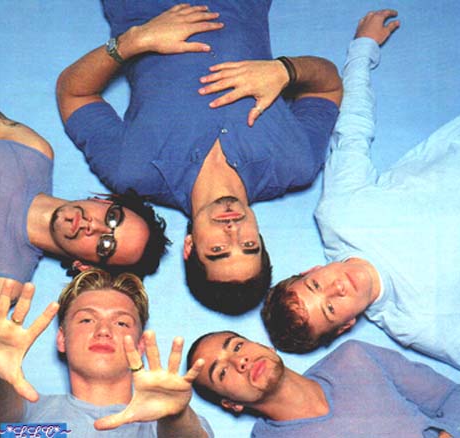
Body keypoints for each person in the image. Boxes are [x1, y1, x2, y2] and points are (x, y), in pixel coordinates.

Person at [56, 2, 342, 315]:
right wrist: (284, 70)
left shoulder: (134, 171)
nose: (233, 231)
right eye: (249, 246)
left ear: (190, 246)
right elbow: (327, 88)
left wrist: (135, 40)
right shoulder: (294, 163)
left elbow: (74, 93)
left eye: (218, 249)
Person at [261, 9, 460, 375]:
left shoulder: (340, 215)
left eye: (316, 284)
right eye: (330, 308)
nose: (337, 288)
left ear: (313, 269)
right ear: (345, 326)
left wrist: (362, 49)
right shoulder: (420, 323)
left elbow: (352, 130)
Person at [0, 99, 170, 312]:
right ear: (104, 201)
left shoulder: (0, 286)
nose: (94, 226)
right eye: (112, 218)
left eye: (105, 245)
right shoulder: (32, 151)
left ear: (85, 266)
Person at [0, 269, 213, 437]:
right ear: (62, 338)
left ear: (140, 345)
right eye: (86, 320)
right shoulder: (31, 417)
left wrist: (175, 416)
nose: (103, 330)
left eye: (121, 323)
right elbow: (0, 420)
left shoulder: (165, 424)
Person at [186, 330, 460, 437]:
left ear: (266, 346)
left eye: (237, 346)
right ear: (232, 404)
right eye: (221, 372)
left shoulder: (355, 358)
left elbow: (457, 398)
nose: (240, 361)